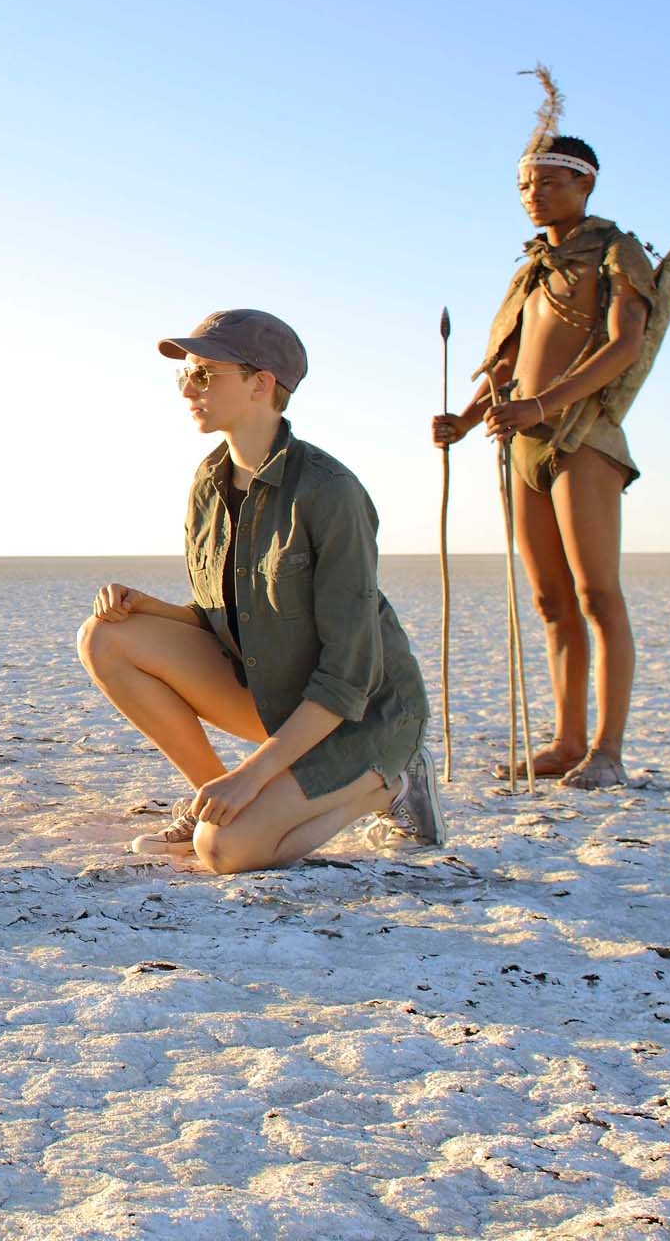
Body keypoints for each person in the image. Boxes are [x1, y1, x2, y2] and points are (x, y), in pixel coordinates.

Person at [78, 310, 441, 872]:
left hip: (361, 715)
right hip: (278, 694)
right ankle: (213, 801)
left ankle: (391, 786)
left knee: (226, 851)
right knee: (104, 636)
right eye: (185, 376)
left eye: (205, 374)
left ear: (261, 383)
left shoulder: (330, 492)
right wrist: (151, 610)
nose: (188, 390)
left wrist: (252, 773)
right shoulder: (209, 480)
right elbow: (232, 620)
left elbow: (350, 676)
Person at [433, 108, 658, 789]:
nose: (535, 194)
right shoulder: (532, 268)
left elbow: (623, 346)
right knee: (551, 602)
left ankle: (608, 752)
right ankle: (565, 743)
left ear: (585, 184)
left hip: (582, 439)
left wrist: (542, 404)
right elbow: (506, 362)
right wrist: (468, 420)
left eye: (550, 182)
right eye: (527, 184)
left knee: (596, 595)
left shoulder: (617, 251)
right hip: (520, 445)